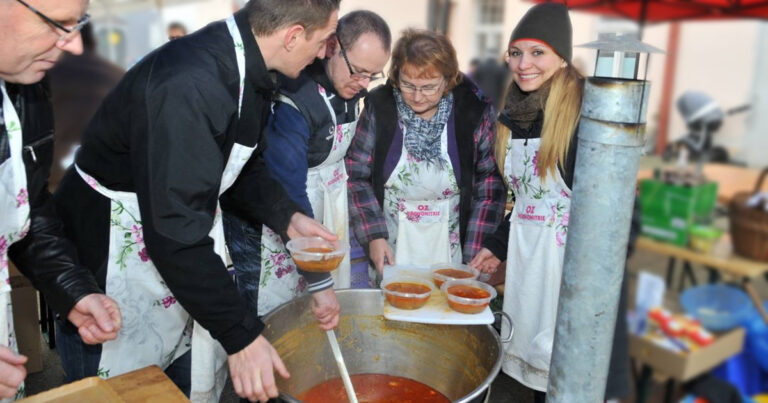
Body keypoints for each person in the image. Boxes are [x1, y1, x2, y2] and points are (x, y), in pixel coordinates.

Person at [53, 1, 340, 402]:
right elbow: (175, 233)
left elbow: (240, 164)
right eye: (326, 39)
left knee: (174, 383)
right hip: (113, 259)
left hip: (176, 251)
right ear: (293, 36)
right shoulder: (189, 82)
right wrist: (242, 337)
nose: (326, 51)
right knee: (116, 392)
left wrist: (286, 216)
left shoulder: (250, 70)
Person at [469, 4, 631, 401]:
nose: (523, 64)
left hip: (572, 279)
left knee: (568, 382)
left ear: (562, 57)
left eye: (537, 52)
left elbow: (624, 214)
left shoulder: (587, 116)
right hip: (529, 273)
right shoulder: (515, 114)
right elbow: (530, 201)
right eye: (516, 52)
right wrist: (496, 245)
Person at [224, 10, 391, 316]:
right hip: (276, 219)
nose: (364, 83)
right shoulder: (296, 99)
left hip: (320, 209)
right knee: (271, 313)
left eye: (373, 75)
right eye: (359, 71)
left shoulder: (348, 85)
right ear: (332, 48)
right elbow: (290, 189)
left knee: (315, 313)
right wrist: (318, 278)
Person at [0, 0, 122, 399]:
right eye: (58, 24)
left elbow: (25, 205)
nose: (72, 46)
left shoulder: (24, 86)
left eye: (78, 24)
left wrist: (72, 288)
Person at [346, 29, 505, 282]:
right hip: (391, 241)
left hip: (452, 243)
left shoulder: (473, 110)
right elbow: (356, 175)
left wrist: (474, 255)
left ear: (448, 79)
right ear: (397, 76)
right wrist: (374, 236)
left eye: (429, 87)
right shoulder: (380, 106)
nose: (418, 97)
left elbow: (489, 185)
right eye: (408, 85)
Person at [47, 24, 124, 191]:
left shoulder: (44, 75)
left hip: (57, 178)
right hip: (110, 181)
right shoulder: (117, 75)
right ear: (94, 41)